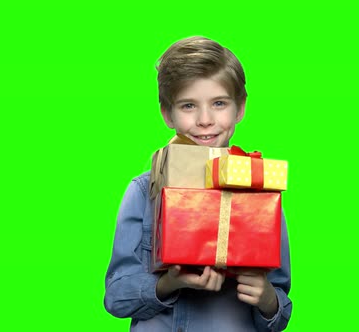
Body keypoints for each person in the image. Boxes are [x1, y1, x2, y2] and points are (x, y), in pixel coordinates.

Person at [104, 36, 292, 331]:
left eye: (219, 103)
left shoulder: (261, 193)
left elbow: (279, 308)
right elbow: (115, 298)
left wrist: (267, 298)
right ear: (167, 114)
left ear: (240, 108)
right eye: (189, 105)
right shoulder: (144, 191)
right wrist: (167, 283)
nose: (205, 120)